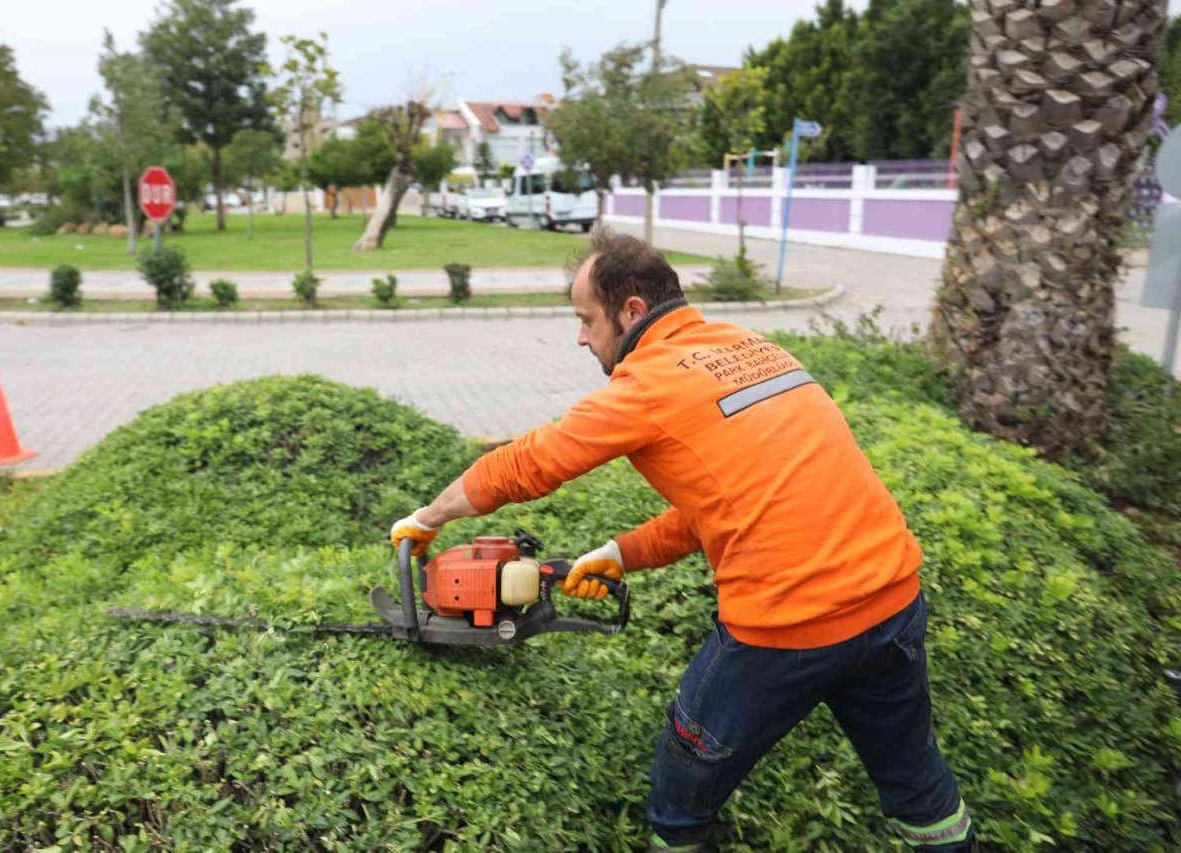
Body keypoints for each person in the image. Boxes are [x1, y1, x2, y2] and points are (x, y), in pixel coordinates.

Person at [390, 231, 975, 851]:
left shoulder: (648, 383)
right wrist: (620, 554)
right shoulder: (752, 348)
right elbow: (730, 507)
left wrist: (428, 518)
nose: (581, 338)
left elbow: (529, 465)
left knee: (680, 796)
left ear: (632, 311)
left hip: (787, 627)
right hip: (891, 603)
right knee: (916, 784)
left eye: (587, 320)